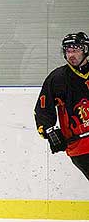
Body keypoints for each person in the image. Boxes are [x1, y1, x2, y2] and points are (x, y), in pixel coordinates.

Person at [34, 31, 89, 180]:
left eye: (76, 50)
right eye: (68, 50)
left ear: (85, 50)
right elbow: (43, 109)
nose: (71, 55)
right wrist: (49, 130)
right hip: (80, 146)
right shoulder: (58, 78)